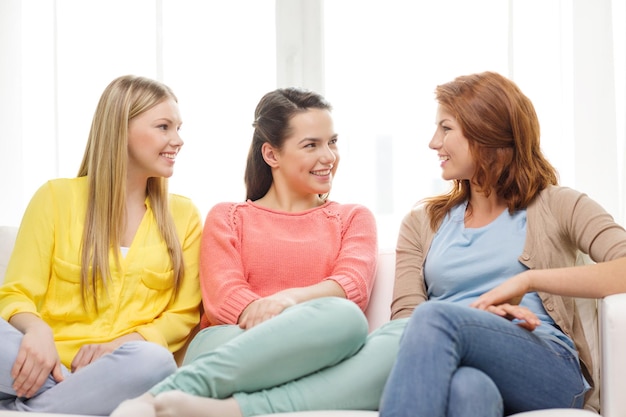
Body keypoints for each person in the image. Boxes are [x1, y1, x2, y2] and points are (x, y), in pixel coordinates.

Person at [111, 87, 401, 417]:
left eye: (332, 142)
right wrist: (288, 328)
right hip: (233, 343)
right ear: (271, 155)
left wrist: (287, 300)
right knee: (343, 319)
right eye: (311, 145)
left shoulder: (352, 218)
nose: (329, 157)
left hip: (322, 343)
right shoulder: (229, 217)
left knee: (399, 338)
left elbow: (352, 288)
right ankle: (163, 396)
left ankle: (227, 409)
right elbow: (225, 300)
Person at [379, 71, 626, 417]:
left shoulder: (558, 205)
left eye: (446, 128)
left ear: (486, 133)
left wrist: (527, 280)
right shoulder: (421, 223)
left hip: (546, 367)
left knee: (435, 318)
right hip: (457, 363)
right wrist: (475, 320)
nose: (434, 142)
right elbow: (405, 324)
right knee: (469, 391)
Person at [0, 75, 202, 415]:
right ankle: (70, 399)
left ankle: (28, 407)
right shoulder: (55, 198)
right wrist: (36, 332)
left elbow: (183, 315)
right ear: (120, 129)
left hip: (124, 368)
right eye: (164, 127)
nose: (178, 140)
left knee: (155, 361)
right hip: (45, 362)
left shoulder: (185, 216)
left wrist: (116, 346)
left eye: (179, 128)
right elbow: (17, 292)